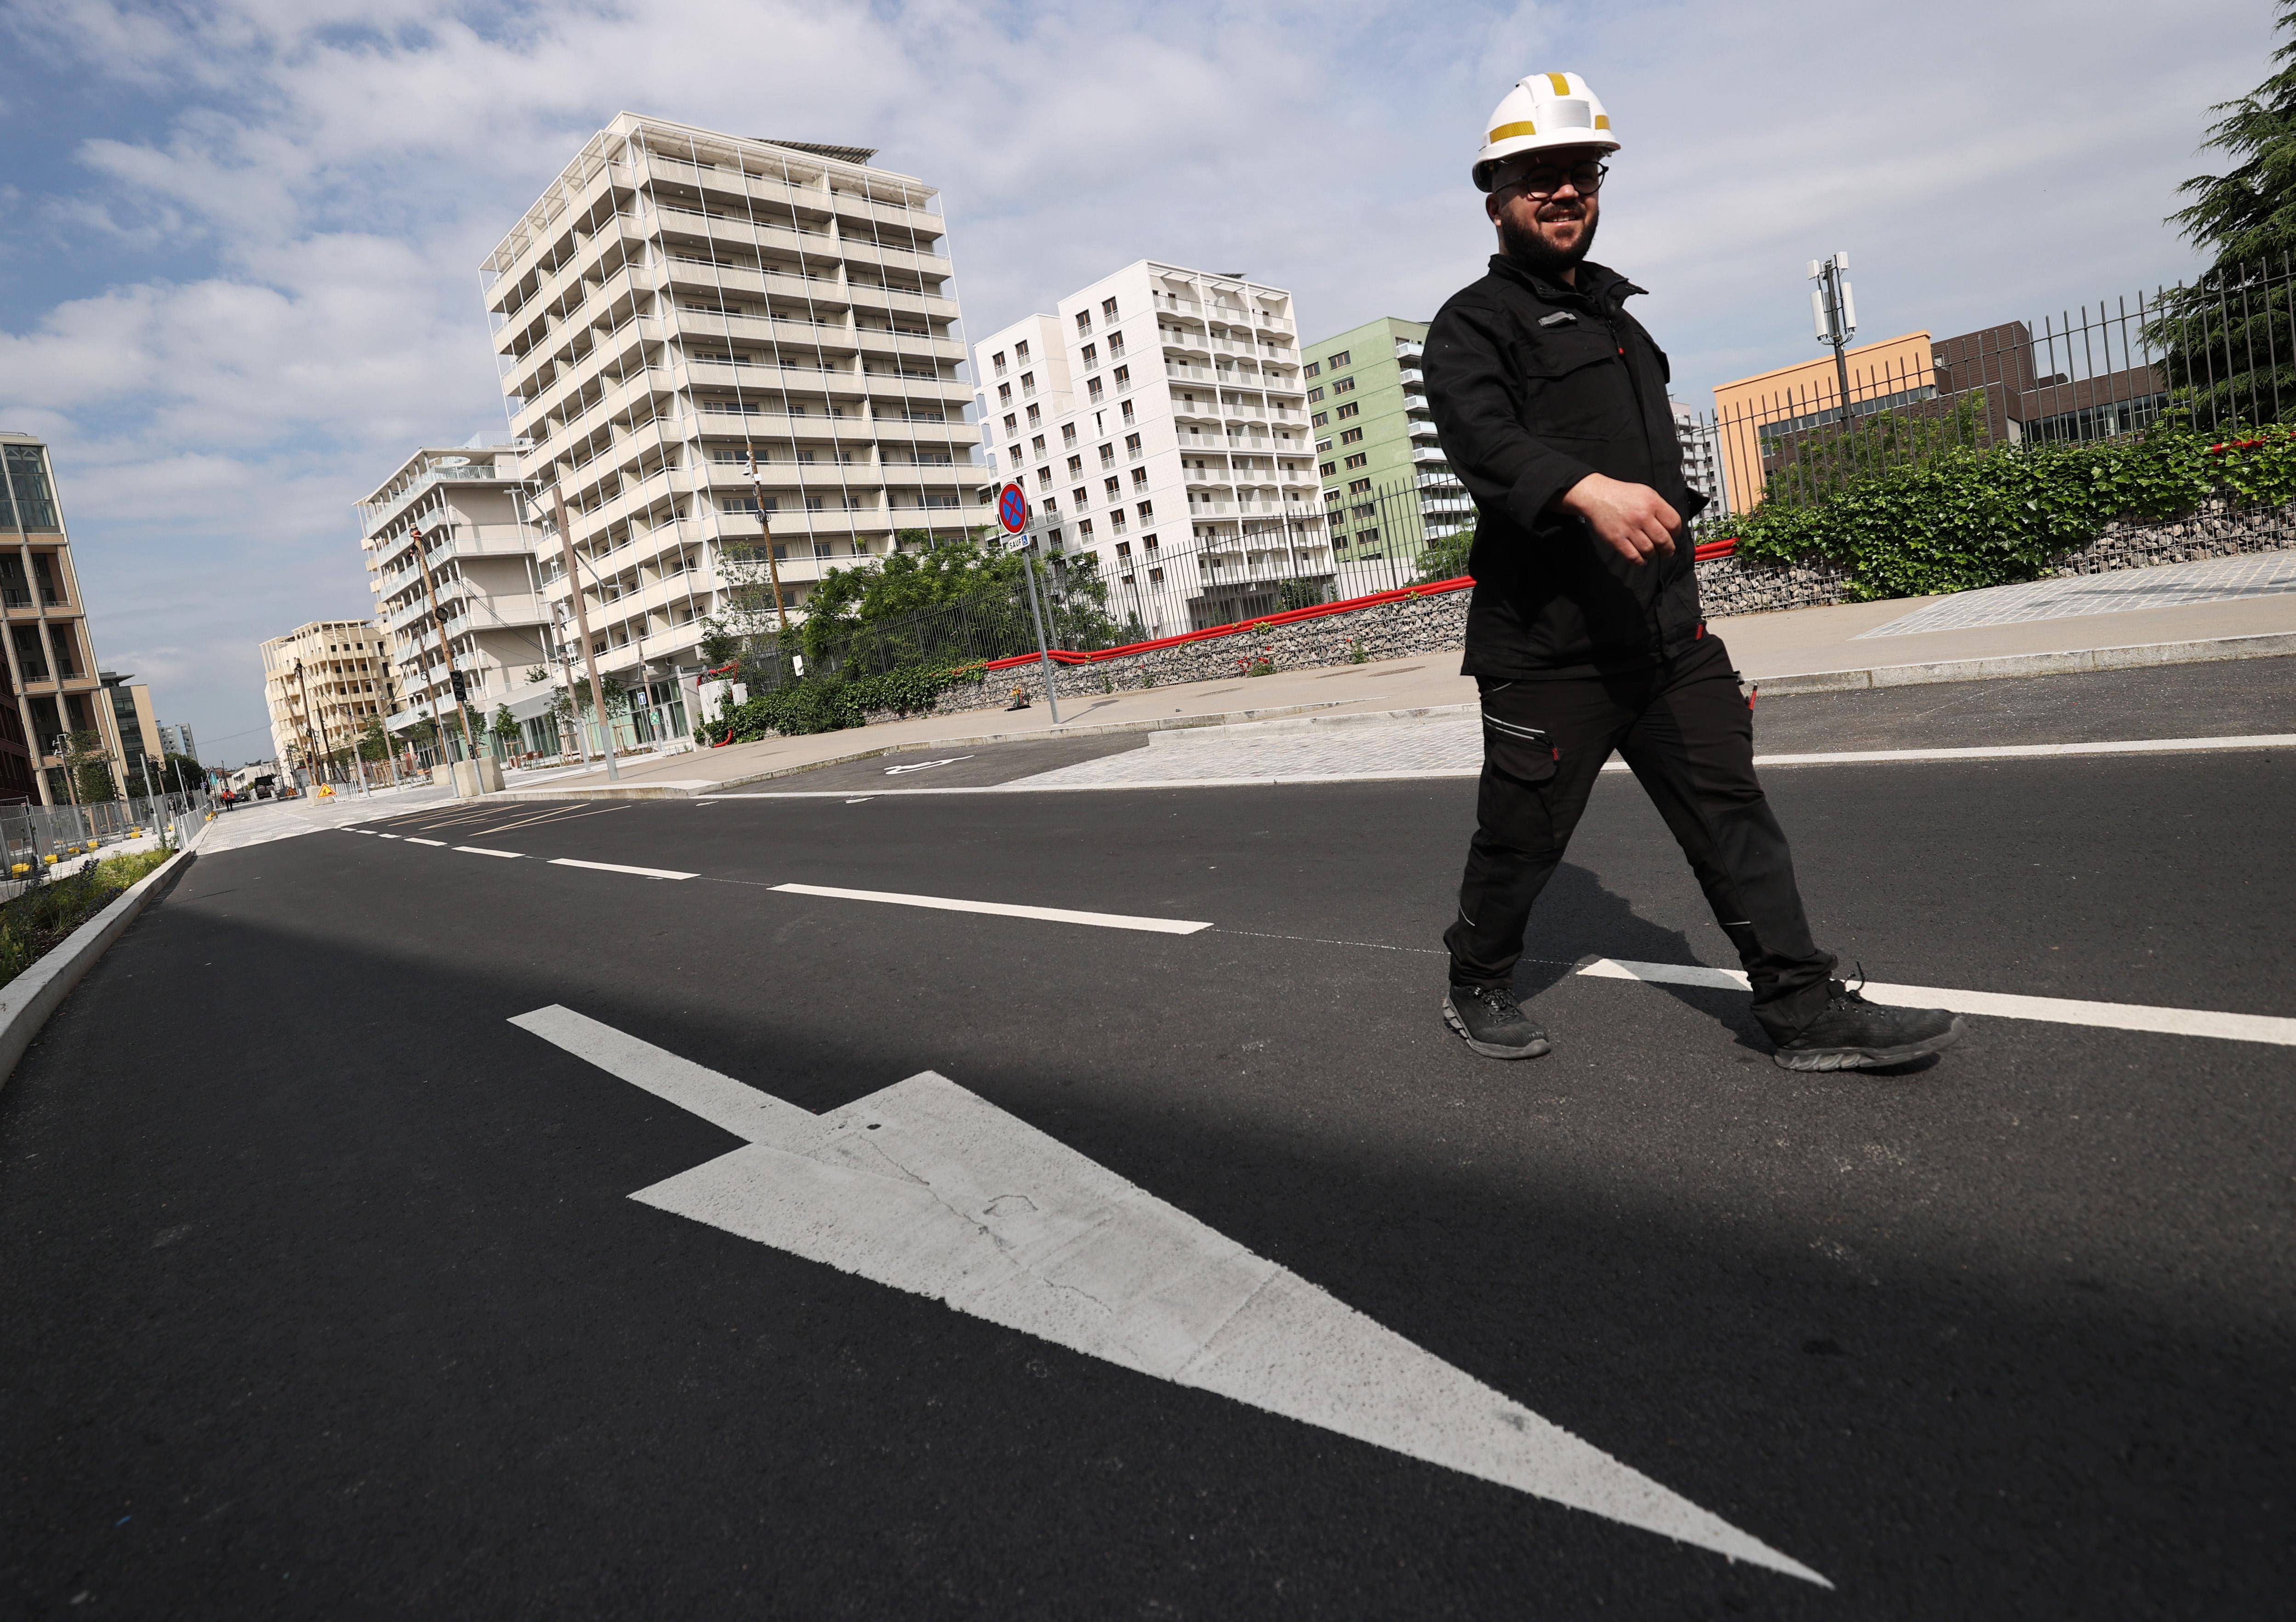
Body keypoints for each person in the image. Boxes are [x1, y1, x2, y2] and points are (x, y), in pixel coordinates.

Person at [1425, 71, 1966, 1073]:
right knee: (1520, 842)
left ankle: (1801, 1010)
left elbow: (1654, 474)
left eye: (1579, 171)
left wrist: (1669, 510)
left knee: (1732, 819)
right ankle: (1477, 976)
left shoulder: (1621, 326)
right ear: (1494, 194)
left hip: (1665, 638)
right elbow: (1480, 439)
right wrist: (1583, 490)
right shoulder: (1471, 326)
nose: (1563, 191)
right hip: (1547, 652)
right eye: (1537, 174)